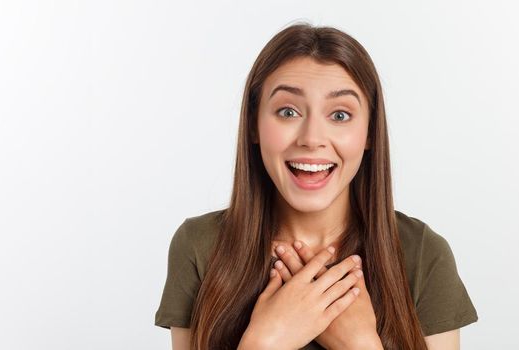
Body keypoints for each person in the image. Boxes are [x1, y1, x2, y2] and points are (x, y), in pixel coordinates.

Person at [155, 23, 478, 349]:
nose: (311, 139)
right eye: (288, 111)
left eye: (339, 115)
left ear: (369, 133)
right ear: (254, 124)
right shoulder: (200, 246)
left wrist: (361, 344)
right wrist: (264, 341)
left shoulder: (423, 255)